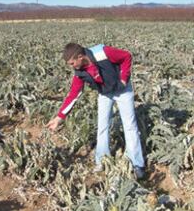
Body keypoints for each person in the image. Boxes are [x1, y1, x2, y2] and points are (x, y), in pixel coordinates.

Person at [46, 43, 146, 179]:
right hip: (105, 93)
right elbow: (74, 94)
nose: (71, 66)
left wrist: (123, 78)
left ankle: (136, 163)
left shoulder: (103, 53)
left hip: (122, 90)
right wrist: (59, 118)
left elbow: (126, 56)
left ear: (80, 57)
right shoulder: (80, 73)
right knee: (102, 126)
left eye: (72, 63)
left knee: (129, 125)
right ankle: (102, 161)